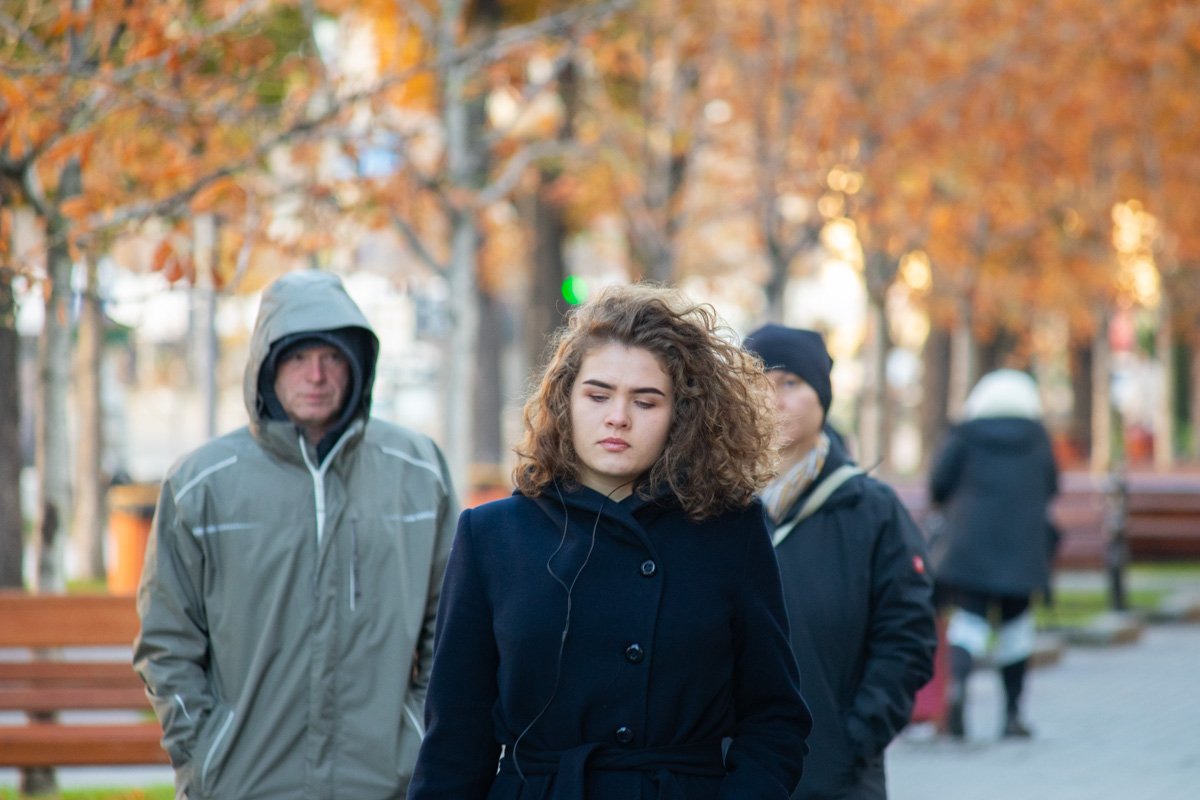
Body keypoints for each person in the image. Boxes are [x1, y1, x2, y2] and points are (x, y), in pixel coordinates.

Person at [409, 284, 812, 799]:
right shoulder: (492, 536)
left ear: (680, 416)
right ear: (565, 400)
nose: (618, 417)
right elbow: (454, 739)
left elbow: (774, 716)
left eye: (646, 401)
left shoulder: (729, 532)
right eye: (598, 395)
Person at [133, 270, 458, 799]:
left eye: (332, 357)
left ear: (358, 365)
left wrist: (415, 736)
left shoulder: (417, 470)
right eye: (297, 357)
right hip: (245, 780)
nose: (316, 375)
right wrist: (205, 754)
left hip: (382, 781)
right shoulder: (202, 483)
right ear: (265, 365)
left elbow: (451, 622)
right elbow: (167, 639)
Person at [743, 324, 937, 800]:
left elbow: (907, 635)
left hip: (839, 777)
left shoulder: (871, 510)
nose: (775, 400)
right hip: (731, 776)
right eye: (758, 385)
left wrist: (857, 737)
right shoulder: (710, 505)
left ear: (822, 397)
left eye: (790, 383)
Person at [927, 368, 1059, 740]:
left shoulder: (964, 434)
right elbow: (1052, 486)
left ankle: (956, 692)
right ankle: (1012, 714)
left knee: (968, 624)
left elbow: (938, 483)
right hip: (1023, 548)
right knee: (1016, 630)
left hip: (970, 546)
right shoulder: (1038, 438)